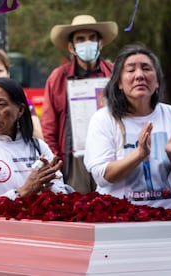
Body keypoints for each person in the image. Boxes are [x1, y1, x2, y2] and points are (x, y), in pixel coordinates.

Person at [83, 45, 171, 212]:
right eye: (131, 70)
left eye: (146, 69)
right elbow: (102, 176)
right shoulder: (104, 119)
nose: (140, 75)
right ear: (119, 83)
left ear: (157, 81)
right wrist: (139, 154)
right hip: (121, 219)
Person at [41, 15, 118, 193]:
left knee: (114, 207)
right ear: (71, 46)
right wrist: (56, 162)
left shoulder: (115, 74)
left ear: (101, 43)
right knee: (79, 209)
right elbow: (49, 125)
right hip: (73, 159)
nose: (87, 43)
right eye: (80, 39)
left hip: (110, 156)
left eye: (92, 38)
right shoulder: (58, 77)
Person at [0, 78, 69, 200]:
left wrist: (47, 187)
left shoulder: (39, 146)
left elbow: (62, 194)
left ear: (20, 110)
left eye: (1, 104)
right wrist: (24, 191)